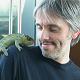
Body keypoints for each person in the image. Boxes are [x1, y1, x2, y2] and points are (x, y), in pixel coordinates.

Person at [0, 0, 80, 80]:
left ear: (75, 31)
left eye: (53, 29)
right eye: (39, 27)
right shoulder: (16, 57)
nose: (42, 37)